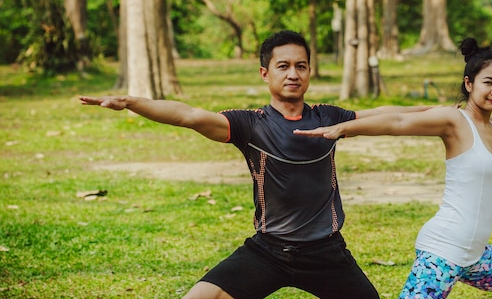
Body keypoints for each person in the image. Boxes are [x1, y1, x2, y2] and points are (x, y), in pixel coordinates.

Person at [79, 30, 434, 299]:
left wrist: (449, 113)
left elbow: (389, 116)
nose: (293, 74)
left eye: (301, 66)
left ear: (309, 72)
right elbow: (187, 115)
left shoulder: (330, 117)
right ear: (265, 73)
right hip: (269, 250)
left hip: (326, 251)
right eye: (283, 66)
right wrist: (131, 102)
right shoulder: (250, 124)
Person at [294, 37, 492, 299]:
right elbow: (399, 121)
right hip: (442, 253)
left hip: (477, 255)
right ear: (469, 84)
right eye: (488, 82)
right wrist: (343, 129)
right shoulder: (455, 121)